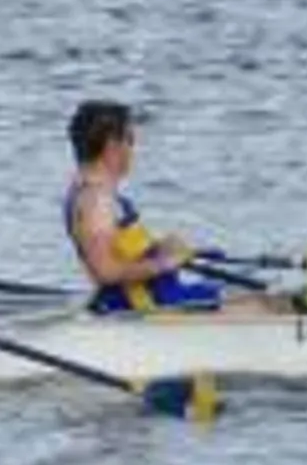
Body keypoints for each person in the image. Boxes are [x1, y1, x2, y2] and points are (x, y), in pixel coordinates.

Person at [64, 100, 221, 312]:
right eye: (130, 140)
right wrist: (164, 263)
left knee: (237, 292)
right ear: (112, 145)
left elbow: (118, 250)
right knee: (266, 305)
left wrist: (160, 248)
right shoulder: (97, 201)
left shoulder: (89, 191)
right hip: (145, 307)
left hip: (154, 298)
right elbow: (106, 271)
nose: (133, 150)